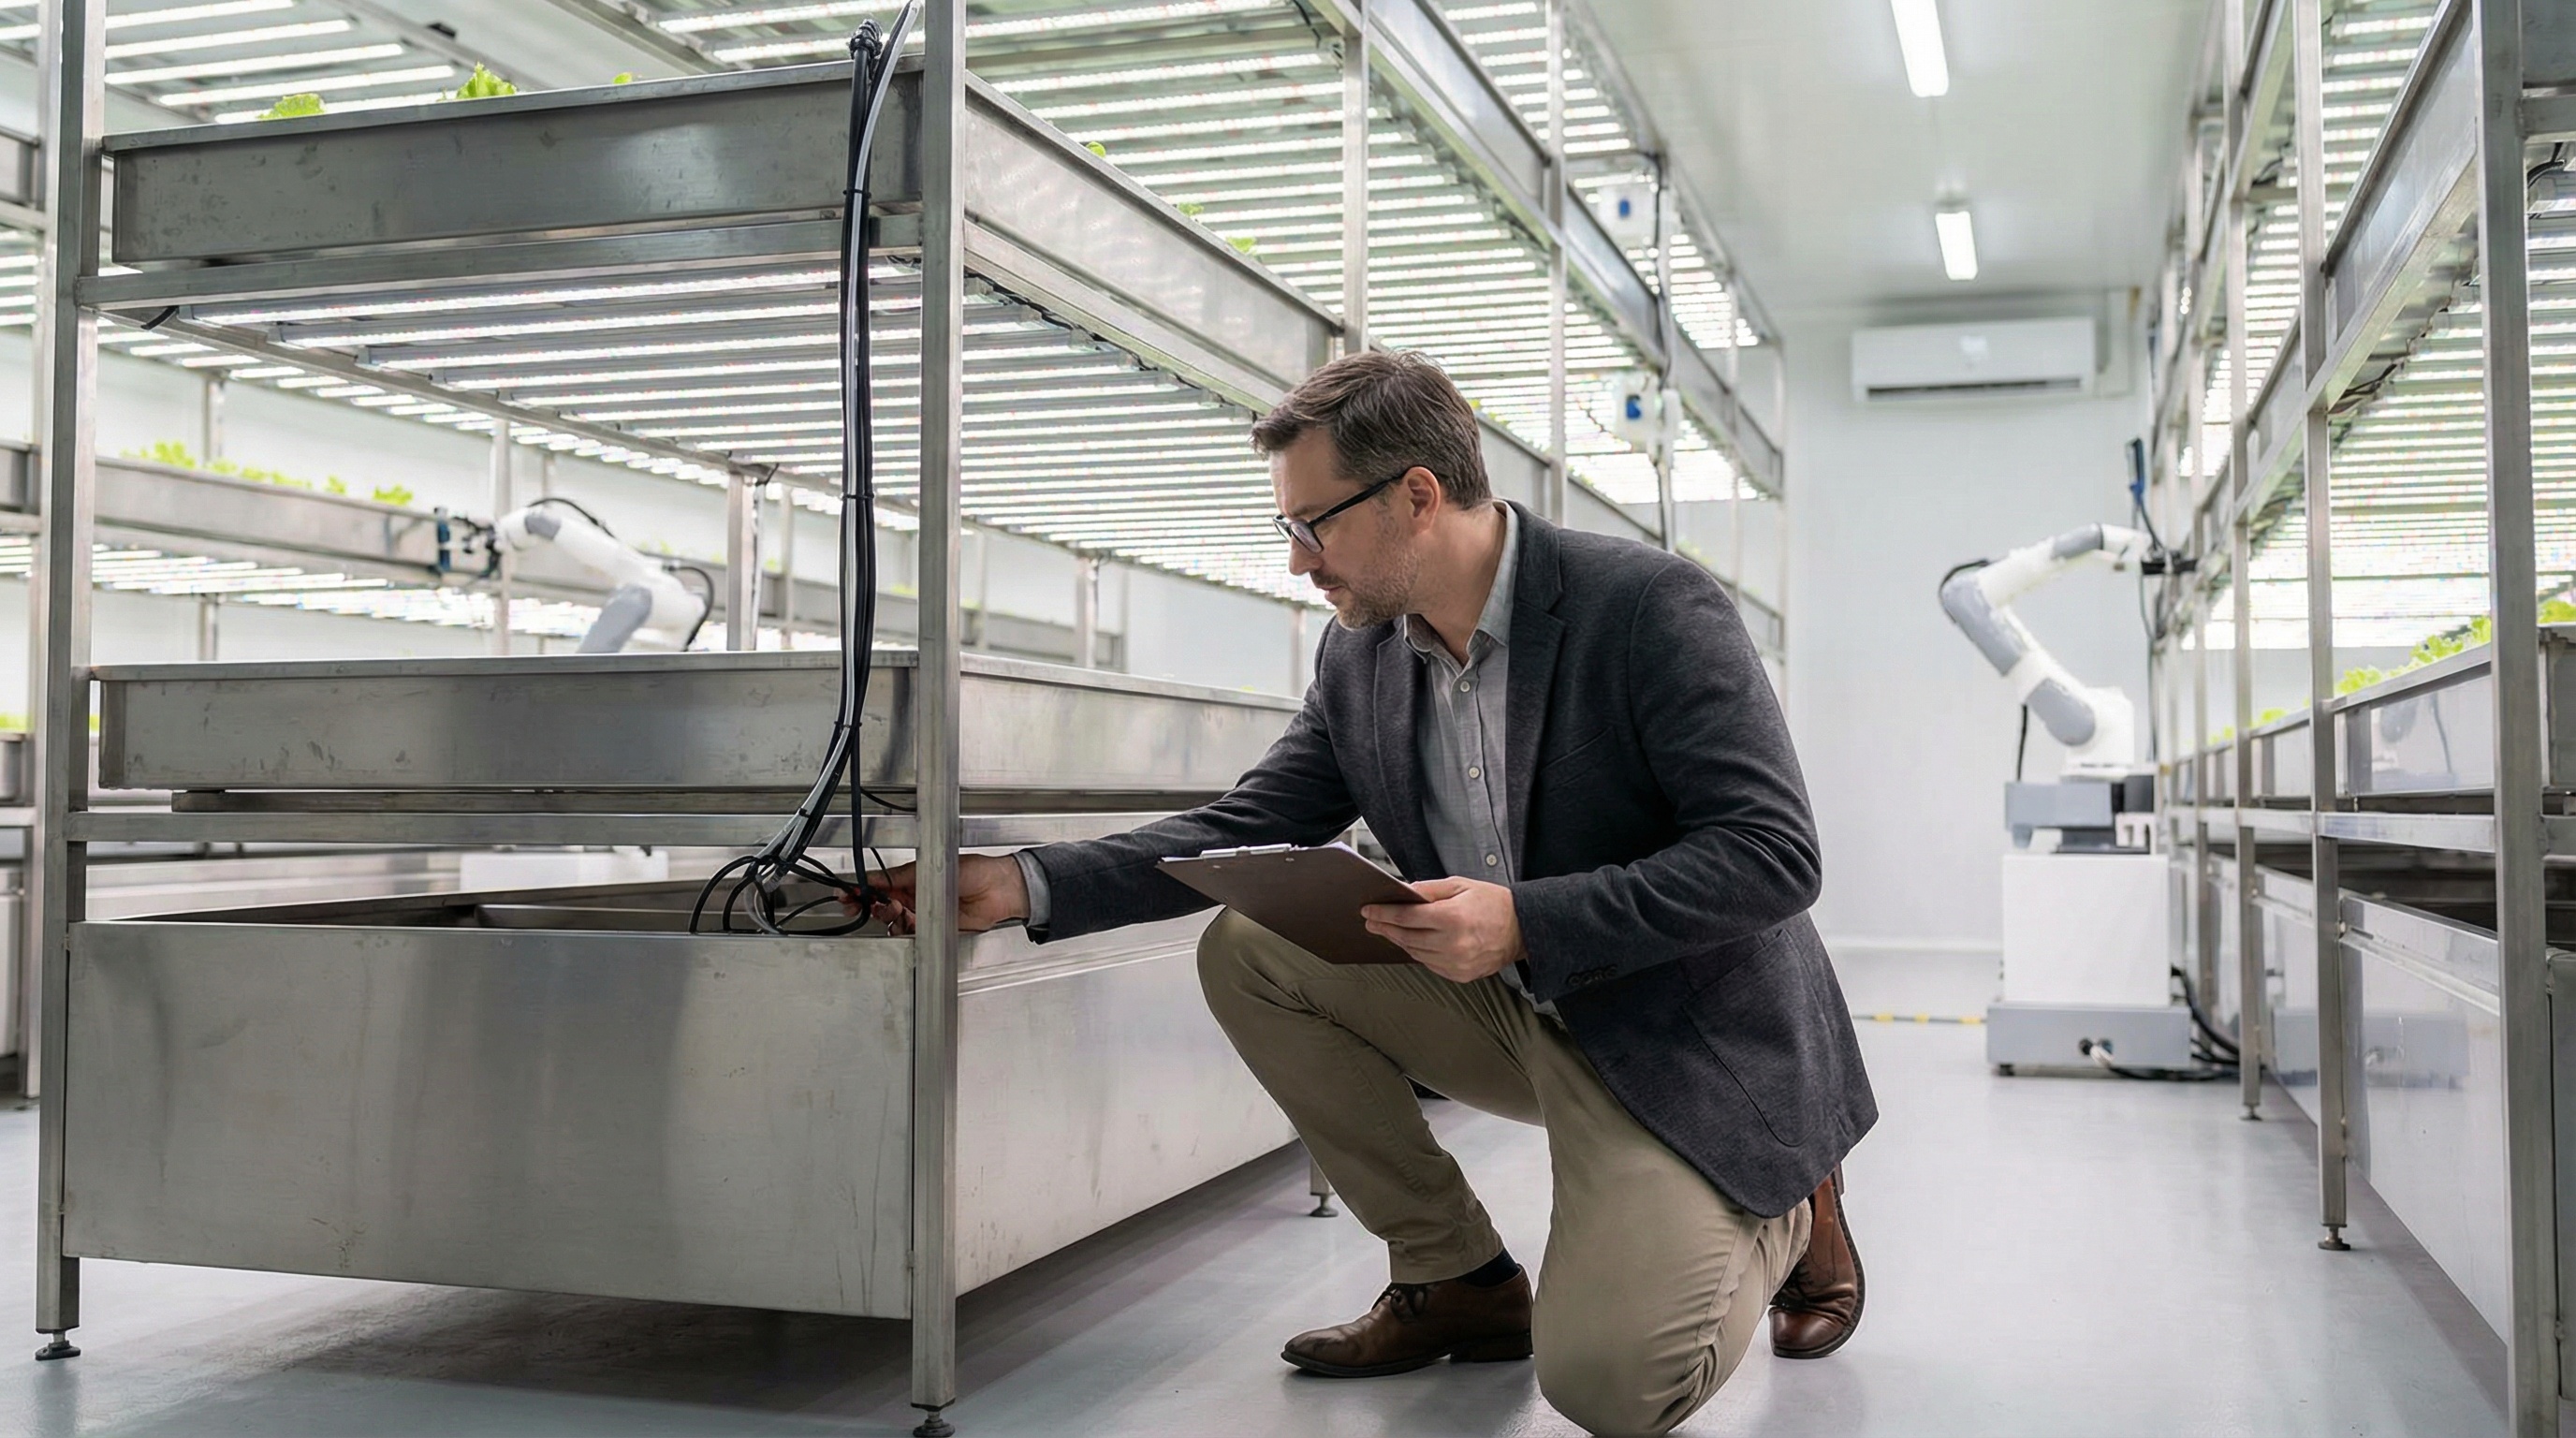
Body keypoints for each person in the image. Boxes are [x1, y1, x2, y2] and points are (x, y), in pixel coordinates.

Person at [864, 349, 1875, 1437]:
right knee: (1251, 948)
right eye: (1286, 530)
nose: (1299, 563)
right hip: (1515, 1007)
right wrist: (1014, 884)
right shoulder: (1363, 663)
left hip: (1681, 1032)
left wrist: (1526, 918)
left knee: (1610, 1388)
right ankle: (1457, 1279)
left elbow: (1772, 853)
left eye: (1314, 526)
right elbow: (1239, 827)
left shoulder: (1645, 607)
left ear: (1417, 497)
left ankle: (1794, 1192)